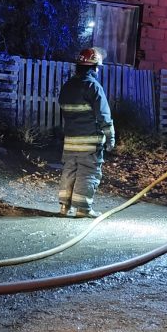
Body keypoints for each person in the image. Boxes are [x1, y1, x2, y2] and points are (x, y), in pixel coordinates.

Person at [57, 47, 115, 217]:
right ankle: (83, 209)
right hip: (90, 141)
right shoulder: (93, 86)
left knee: (69, 171)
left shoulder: (67, 86)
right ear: (94, 68)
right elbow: (104, 115)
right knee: (88, 172)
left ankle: (64, 207)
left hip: (70, 141)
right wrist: (110, 137)